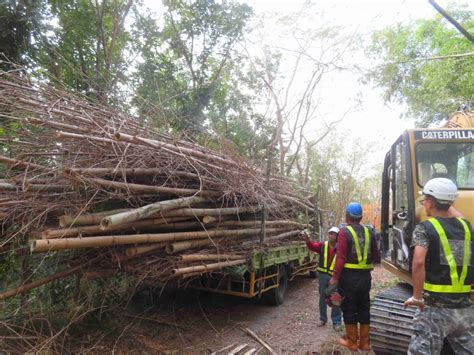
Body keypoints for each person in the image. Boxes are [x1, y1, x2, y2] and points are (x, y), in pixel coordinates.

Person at [403, 178, 473, 354]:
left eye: (425, 199)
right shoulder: (466, 227)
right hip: (464, 309)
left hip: (435, 309)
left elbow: (418, 263)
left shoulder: (424, 228)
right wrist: (447, 201)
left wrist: (417, 297)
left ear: (430, 202)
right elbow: (460, 217)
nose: (424, 203)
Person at [329, 202, 380, 351]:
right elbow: (377, 256)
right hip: (365, 279)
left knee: (349, 308)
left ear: (347, 216)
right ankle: (364, 343)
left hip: (348, 279)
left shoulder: (344, 232)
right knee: (364, 307)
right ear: (361, 217)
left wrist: (335, 277)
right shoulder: (369, 231)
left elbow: (341, 258)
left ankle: (352, 343)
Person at [302, 227, 343, 331]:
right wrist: (307, 240)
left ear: (337, 236)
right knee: (322, 298)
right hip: (323, 276)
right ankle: (322, 319)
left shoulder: (341, 248)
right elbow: (312, 246)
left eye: (333, 234)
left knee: (335, 299)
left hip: (335, 277)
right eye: (330, 233)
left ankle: (337, 321)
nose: (331, 236)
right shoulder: (323, 245)